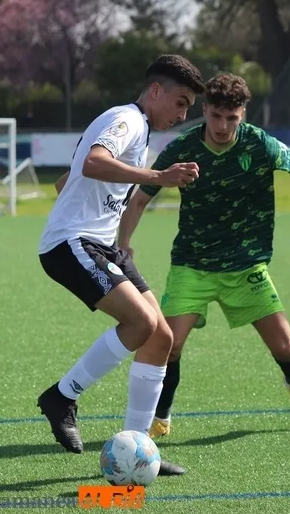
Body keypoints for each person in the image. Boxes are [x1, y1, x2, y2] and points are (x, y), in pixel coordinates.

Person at [117, 73, 290, 440]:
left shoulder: (260, 145)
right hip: (193, 264)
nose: (223, 126)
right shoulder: (183, 148)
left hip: (246, 265)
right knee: (170, 344)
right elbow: (142, 196)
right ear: (205, 110)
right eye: (216, 116)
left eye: (233, 118)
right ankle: (160, 416)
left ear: (243, 115)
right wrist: (124, 240)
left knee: (285, 347)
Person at [36, 54, 205, 476]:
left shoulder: (140, 129)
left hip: (103, 246)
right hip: (73, 243)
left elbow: (71, 177)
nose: (183, 114)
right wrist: (158, 177)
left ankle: (139, 448)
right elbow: (93, 162)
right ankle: (62, 396)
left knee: (161, 336)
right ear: (154, 91)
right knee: (141, 325)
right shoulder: (127, 119)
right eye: (181, 102)